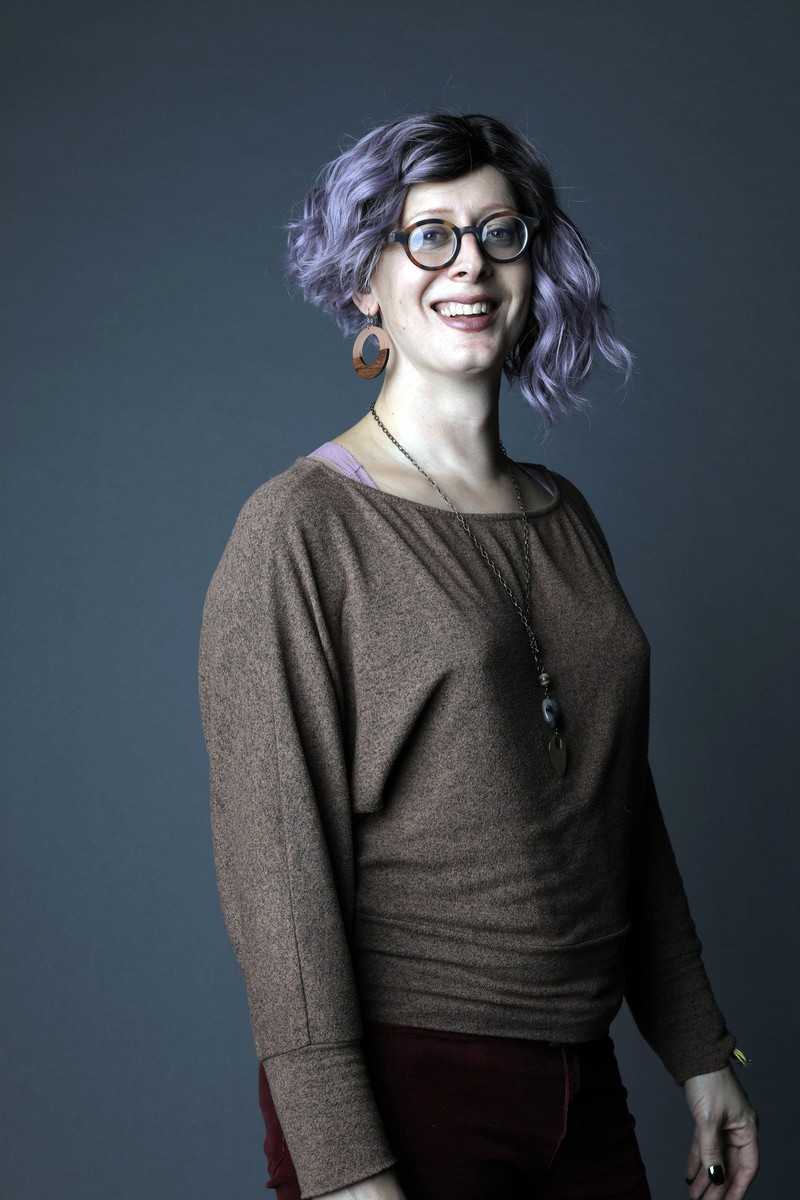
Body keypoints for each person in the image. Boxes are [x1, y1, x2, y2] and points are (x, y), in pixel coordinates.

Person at [198, 112, 758, 1200]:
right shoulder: (299, 528)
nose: (469, 265)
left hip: (580, 1076)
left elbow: (615, 802)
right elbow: (277, 877)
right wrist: (344, 1166)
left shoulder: (566, 515)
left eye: (500, 234)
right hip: (409, 1083)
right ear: (363, 283)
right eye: (429, 236)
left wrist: (700, 1050)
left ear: (533, 268)